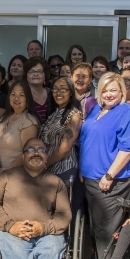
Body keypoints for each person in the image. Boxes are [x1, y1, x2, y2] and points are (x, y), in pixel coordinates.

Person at [80, 72, 130, 259]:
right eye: (104, 90)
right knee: (94, 226)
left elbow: (128, 148)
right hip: (90, 178)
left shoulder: (127, 112)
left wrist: (109, 175)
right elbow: (86, 140)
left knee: (105, 229)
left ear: (122, 91)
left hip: (112, 181)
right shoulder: (97, 109)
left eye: (113, 90)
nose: (108, 94)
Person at [39, 76, 82, 216]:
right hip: (48, 169)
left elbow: (65, 148)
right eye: (55, 89)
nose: (58, 93)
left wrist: (44, 164)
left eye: (63, 89)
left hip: (63, 168)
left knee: (59, 212)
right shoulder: (53, 114)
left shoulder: (74, 115)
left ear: (71, 92)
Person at [0, 80, 40, 172]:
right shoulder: (4, 118)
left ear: (27, 99)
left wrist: (8, 169)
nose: (16, 98)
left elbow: (27, 152)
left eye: (21, 95)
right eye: (13, 94)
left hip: (19, 175)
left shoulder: (28, 121)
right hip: (2, 174)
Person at [24, 56, 50, 123]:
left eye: (39, 71)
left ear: (45, 76)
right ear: (26, 76)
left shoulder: (52, 93)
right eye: (32, 72)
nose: (35, 74)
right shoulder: (22, 95)